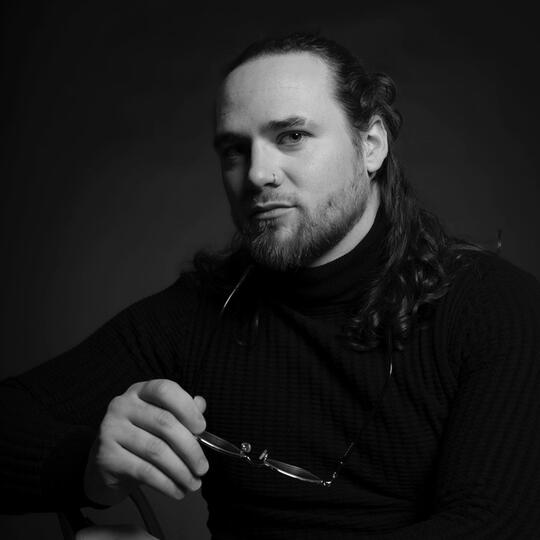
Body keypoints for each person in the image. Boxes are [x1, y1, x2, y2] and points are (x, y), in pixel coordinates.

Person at [1, 32, 540, 539]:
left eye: (292, 136)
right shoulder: (201, 312)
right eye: (235, 150)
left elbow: (492, 526)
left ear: (371, 144)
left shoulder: (494, 308)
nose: (258, 174)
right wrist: (87, 468)